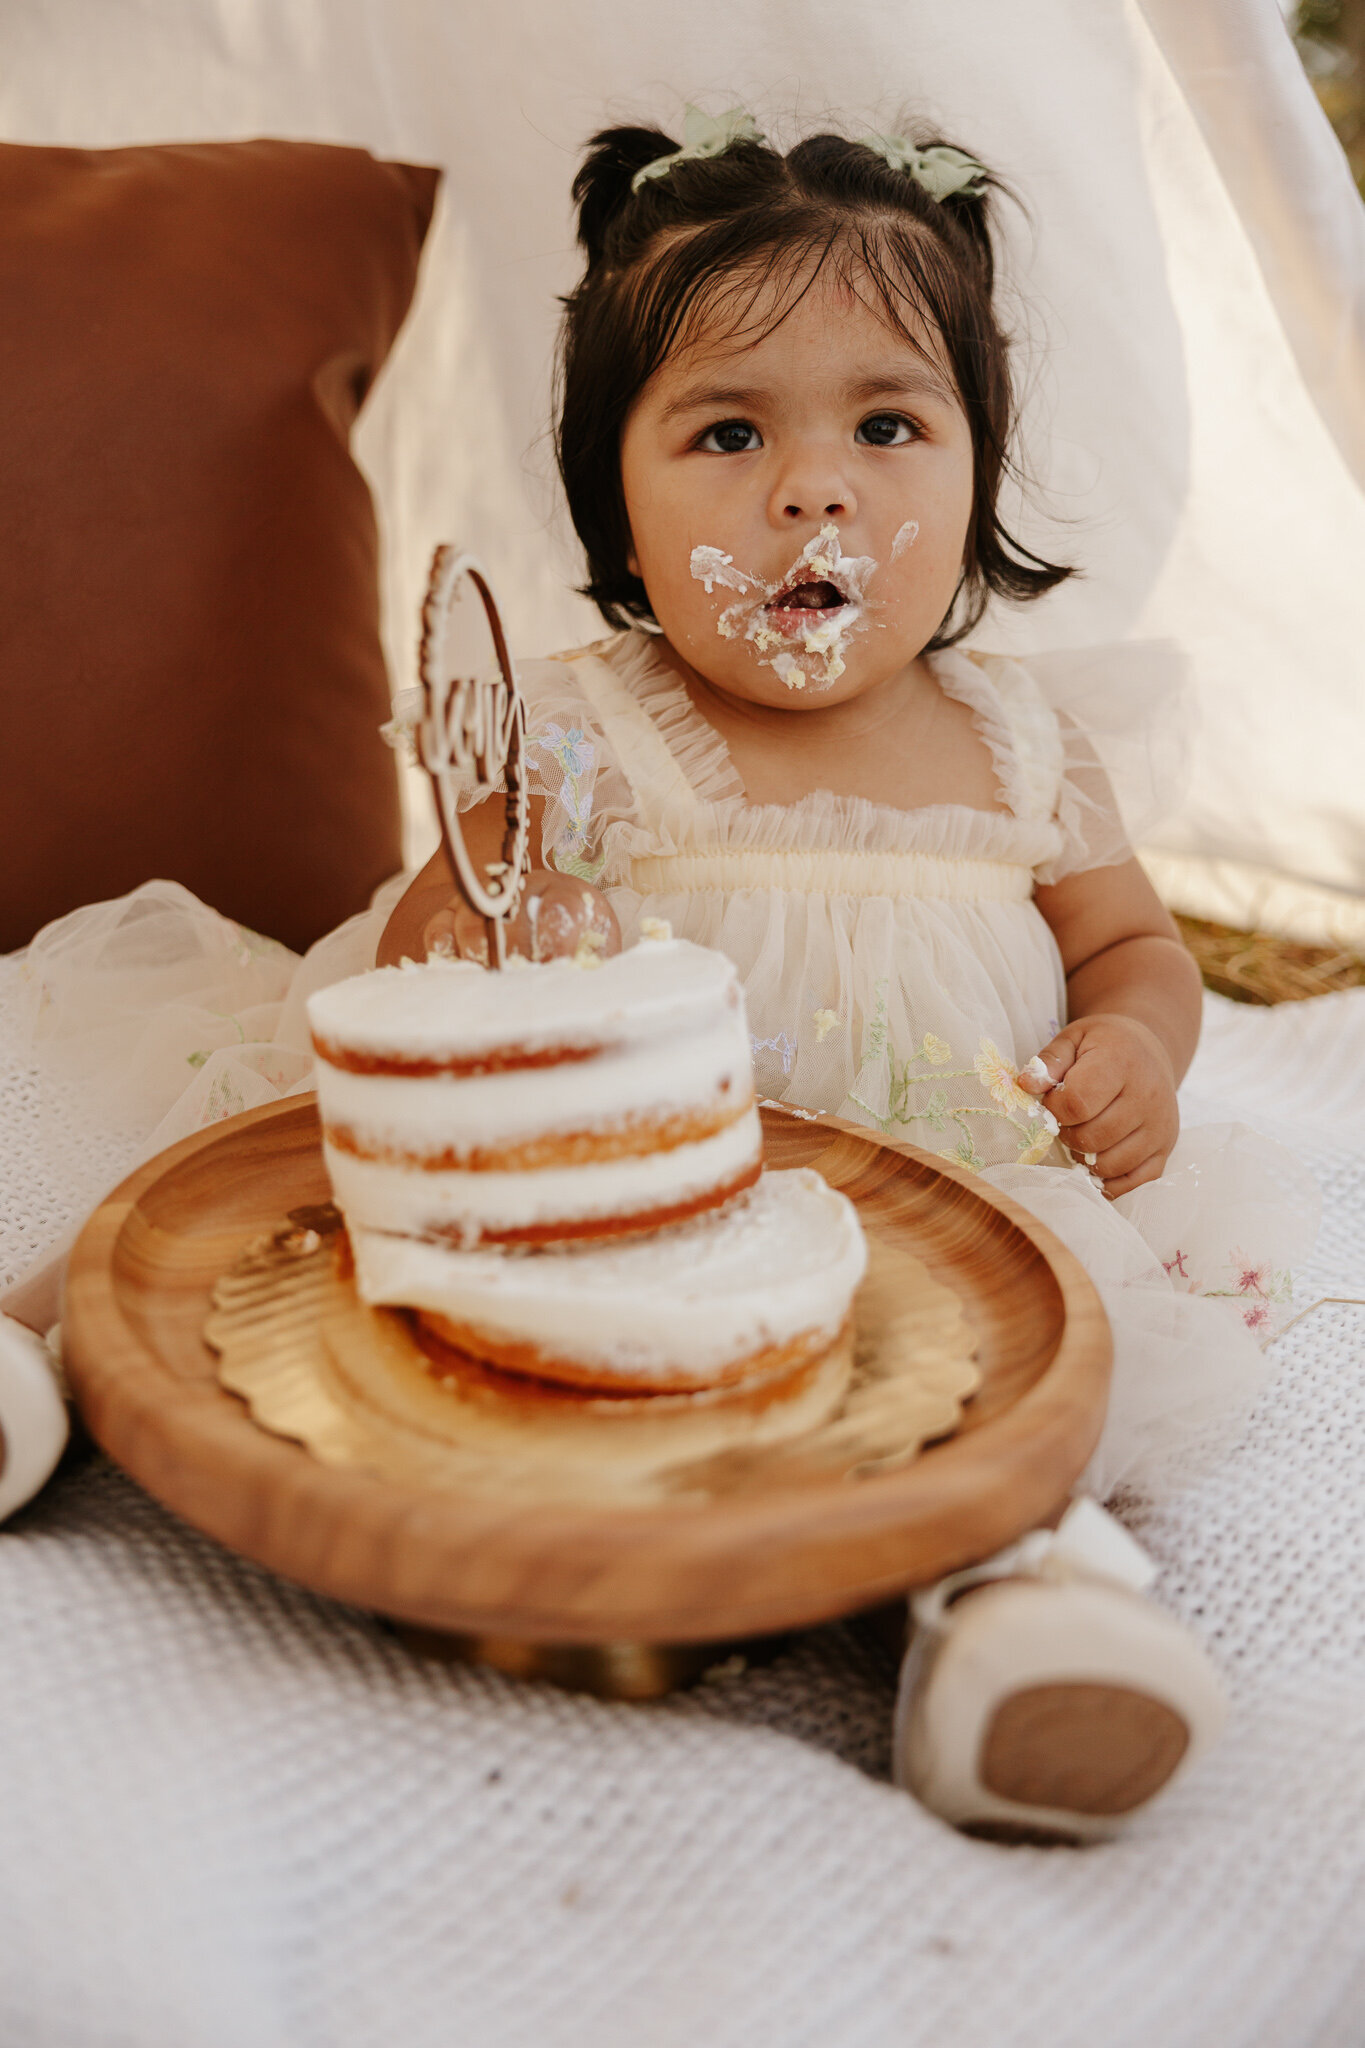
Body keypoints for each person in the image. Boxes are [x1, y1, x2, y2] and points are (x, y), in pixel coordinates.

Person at [379, 112, 1317, 1840]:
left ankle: (1023, 1625)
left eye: (886, 423)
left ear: (975, 467)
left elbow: (1134, 948)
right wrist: (464, 962)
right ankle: (53, 1362)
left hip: (962, 1211)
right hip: (654, 1210)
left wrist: (1135, 1041)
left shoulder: (1029, 746)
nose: (814, 487)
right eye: (727, 430)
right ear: (619, 502)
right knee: (307, 1198)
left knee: (1004, 1402)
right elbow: (452, 924)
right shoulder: (586, 733)